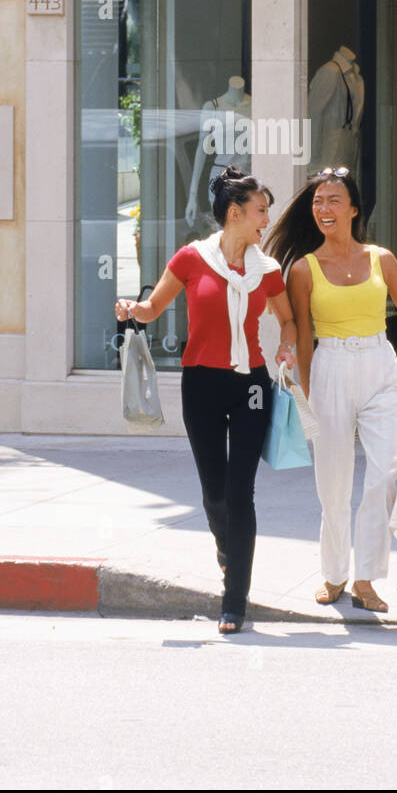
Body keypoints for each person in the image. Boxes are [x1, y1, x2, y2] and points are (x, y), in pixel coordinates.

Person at [266, 166, 397, 614]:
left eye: (333, 200)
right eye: (317, 201)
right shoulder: (303, 269)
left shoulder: (381, 259)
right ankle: (334, 574)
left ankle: (367, 577)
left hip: (379, 368)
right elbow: (305, 337)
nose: (323, 208)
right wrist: (311, 395)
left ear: (353, 209)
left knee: (383, 473)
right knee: (332, 483)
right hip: (330, 368)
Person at [115, 166, 296, 634]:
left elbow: (287, 319)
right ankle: (226, 549)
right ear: (235, 214)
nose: (267, 220)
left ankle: (234, 598)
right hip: (201, 384)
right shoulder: (192, 259)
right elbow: (153, 308)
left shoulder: (267, 269)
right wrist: (133, 311)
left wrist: (285, 345)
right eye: (261, 211)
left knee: (242, 493)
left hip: (252, 385)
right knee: (214, 494)